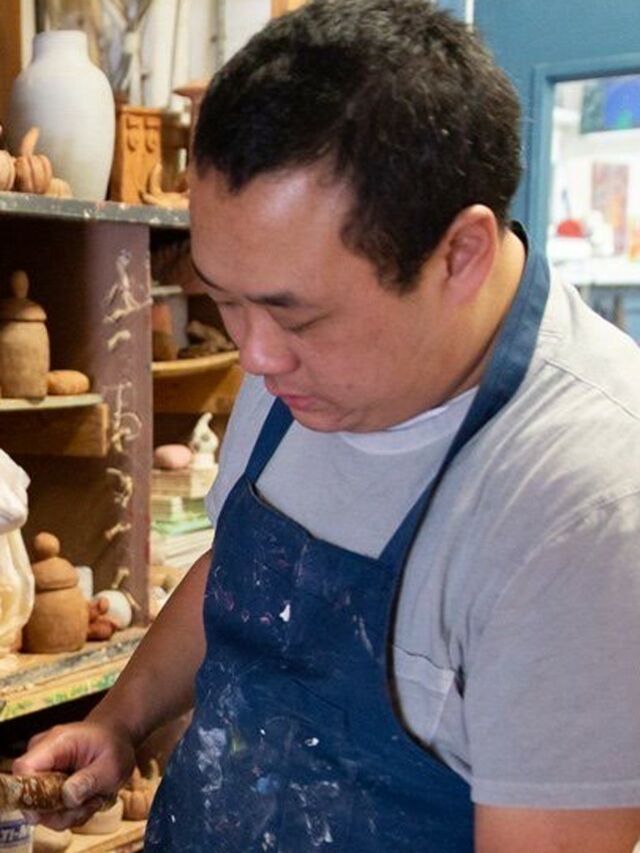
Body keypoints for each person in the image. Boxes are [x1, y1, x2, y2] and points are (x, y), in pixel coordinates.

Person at [14, 1, 640, 850]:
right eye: (225, 300)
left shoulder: (587, 504)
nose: (256, 356)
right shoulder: (298, 360)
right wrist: (120, 719)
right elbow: (243, 569)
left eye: (296, 316)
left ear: (460, 256)